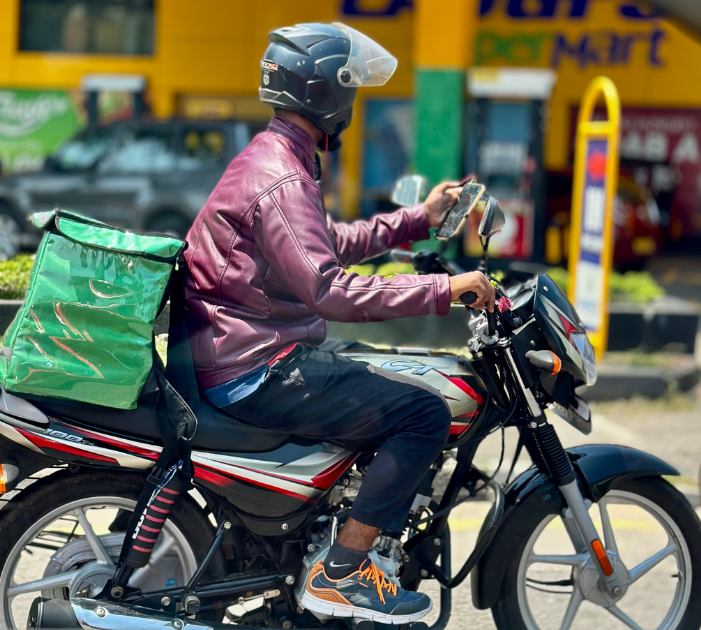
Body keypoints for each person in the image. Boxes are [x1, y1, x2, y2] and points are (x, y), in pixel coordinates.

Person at [184, 23, 495, 624]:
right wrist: (444, 289)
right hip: (254, 366)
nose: (353, 104)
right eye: (349, 89)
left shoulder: (277, 156)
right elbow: (327, 287)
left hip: (246, 346)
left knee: (379, 369)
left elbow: (320, 247)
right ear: (325, 93)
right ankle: (343, 571)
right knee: (422, 412)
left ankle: (329, 533)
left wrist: (417, 220)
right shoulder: (282, 174)